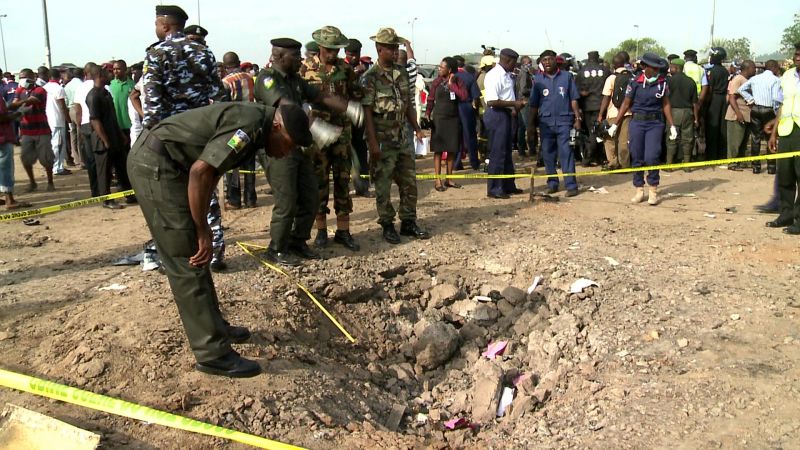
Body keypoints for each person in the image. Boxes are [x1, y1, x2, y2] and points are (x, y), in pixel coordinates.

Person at [129, 102, 312, 377]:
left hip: (173, 165)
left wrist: (204, 222)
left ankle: (213, 327)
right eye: (289, 143)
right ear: (277, 127)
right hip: (157, 164)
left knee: (196, 251)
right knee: (187, 255)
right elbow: (200, 172)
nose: (288, 152)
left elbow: (211, 172)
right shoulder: (249, 127)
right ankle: (212, 354)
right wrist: (203, 230)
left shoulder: (258, 126)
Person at [254, 37, 363, 263]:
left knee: (311, 195)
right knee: (287, 200)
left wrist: (348, 107)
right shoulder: (267, 78)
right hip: (277, 148)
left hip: (297, 146)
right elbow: (285, 106)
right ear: (279, 57)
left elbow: (320, 96)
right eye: (295, 56)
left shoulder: (295, 79)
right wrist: (316, 126)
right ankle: (276, 249)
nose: (301, 60)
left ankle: (298, 240)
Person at [144, 5, 230, 272]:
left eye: (156, 24)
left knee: (168, 195)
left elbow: (153, 105)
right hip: (202, 134)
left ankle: (176, 254)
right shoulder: (205, 52)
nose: (155, 28)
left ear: (165, 25)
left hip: (171, 137)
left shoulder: (156, 54)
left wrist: (151, 135)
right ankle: (215, 253)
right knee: (205, 190)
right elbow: (219, 96)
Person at [361, 27, 430, 243]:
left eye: (396, 47)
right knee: (383, 184)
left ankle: (408, 221)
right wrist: (372, 143)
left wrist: (417, 127)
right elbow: (367, 113)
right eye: (390, 48)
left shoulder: (400, 74)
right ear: (379, 49)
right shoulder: (369, 78)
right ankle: (387, 224)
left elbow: (408, 103)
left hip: (402, 137)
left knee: (409, 181)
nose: (394, 51)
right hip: (382, 140)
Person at [303, 26, 363, 252]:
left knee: (342, 181)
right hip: (317, 135)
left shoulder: (345, 69)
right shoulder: (305, 69)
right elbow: (298, 102)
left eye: (336, 49)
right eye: (329, 49)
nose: (332, 54)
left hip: (341, 134)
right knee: (319, 182)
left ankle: (343, 231)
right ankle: (320, 231)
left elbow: (356, 95)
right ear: (320, 46)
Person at [612, 53, 676, 206]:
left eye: (657, 68)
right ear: (645, 67)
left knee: (652, 156)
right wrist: (616, 124)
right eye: (653, 68)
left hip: (655, 123)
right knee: (637, 155)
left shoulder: (662, 82)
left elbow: (665, 104)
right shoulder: (634, 82)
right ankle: (639, 189)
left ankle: (653, 190)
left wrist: (672, 125)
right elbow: (626, 104)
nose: (656, 70)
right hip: (638, 122)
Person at [529, 49, 582, 197]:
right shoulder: (537, 80)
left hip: (565, 121)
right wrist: (531, 125)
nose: (547, 62)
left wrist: (577, 118)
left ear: (555, 60)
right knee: (548, 154)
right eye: (544, 60)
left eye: (549, 59)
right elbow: (533, 104)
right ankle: (552, 184)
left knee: (567, 154)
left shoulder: (567, 77)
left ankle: (571, 185)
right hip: (545, 123)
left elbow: (573, 99)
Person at [482, 48, 526, 199]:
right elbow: (492, 101)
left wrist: (515, 107)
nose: (515, 66)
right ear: (508, 61)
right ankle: (494, 188)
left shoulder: (507, 75)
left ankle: (508, 185)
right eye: (514, 63)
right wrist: (515, 103)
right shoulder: (494, 75)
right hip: (496, 115)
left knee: (507, 152)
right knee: (497, 152)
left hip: (506, 115)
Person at [766, 43, 800, 235]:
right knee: (785, 175)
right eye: (796, 54)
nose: (797, 58)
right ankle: (785, 214)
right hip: (787, 131)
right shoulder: (787, 76)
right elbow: (782, 105)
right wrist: (774, 132)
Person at [221, 51, 257, 210]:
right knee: (249, 164)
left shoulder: (225, 82)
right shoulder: (249, 78)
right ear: (239, 62)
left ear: (224, 66)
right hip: (251, 126)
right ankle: (250, 198)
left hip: (234, 130)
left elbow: (223, 106)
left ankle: (234, 199)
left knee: (232, 163)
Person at [87, 67, 127, 210]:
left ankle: (129, 194)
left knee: (122, 167)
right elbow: (95, 120)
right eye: (109, 73)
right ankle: (107, 199)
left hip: (114, 137)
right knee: (104, 172)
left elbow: (112, 117)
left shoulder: (105, 93)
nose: (112, 75)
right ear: (100, 75)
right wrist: (105, 140)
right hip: (102, 141)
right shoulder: (93, 96)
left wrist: (120, 135)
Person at [426, 57, 468, 191]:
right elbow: (431, 98)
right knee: (438, 150)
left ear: (449, 69)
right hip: (439, 119)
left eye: (441, 67)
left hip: (453, 118)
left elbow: (464, 96)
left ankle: (449, 179)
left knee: (451, 149)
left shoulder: (458, 81)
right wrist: (427, 113)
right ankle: (437, 180)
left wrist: (451, 85)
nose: (439, 69)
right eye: (439, 67)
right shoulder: (436, 82)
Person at [11, 69, 55, 192]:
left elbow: (32, 100)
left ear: (32, 77)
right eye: (20, 77)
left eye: (24, 77)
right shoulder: (20, 90)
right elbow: (15, 102)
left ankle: (50, 182)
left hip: (42, 130)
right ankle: (32, 182)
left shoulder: (40, 90)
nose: (22, 80)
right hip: (26, 131)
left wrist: (18, 104)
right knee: (25, 158)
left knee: (46, 159)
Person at [738, 59, 781, 174]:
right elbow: (776, 98)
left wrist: (750, 99)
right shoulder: (776, 80)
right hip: (768, 110)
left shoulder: (755, 78)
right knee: (770, 138)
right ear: (774, 68)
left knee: (755, 138)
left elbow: (741, 89)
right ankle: (771, 167)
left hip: (756, 109)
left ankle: (756, 166)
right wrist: (777, 113)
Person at [344, 38, 372, 197]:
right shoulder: (341, 68)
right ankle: (346, 187)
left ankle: (363, 187)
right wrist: (353, 75)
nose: (354, 57)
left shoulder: (366, 68)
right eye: (350, 54)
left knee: (361, 150)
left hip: (360, 115)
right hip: (345, 115)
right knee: (346, 152)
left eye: (356, 54)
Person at [597, 53, 632, 169]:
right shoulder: (632, 77)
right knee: (624, 141)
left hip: (613, 112)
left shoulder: (611, 78)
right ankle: (625, 165)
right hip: (627, 113)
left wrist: (601, 115)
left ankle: (613, 163)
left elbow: (606, 97)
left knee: (609, 139)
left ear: (613, 65)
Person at [576, 51, 609, 166]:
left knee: (592, 131)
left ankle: (597, 157)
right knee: (597, 133)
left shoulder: (581, 72)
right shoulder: (605, 71)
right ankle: (588, 158)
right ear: (598, 58)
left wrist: (579, 107)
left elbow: (576, 91)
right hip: (601, 106)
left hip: (586, 106)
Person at [665, 58, 699, 165]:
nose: (670, 69)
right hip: (688, 113)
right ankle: (687, 165)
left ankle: (669, 163)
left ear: (676, 68)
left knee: (672, 137)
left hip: (673, 112)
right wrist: (696, 118)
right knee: (687, 139)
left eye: (671, 67)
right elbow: (695, 103)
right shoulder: (691, 81)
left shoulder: (669, 81)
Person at [725, 60, 755, 170]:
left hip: (746, 115)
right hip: (736, 115)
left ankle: (741, 161)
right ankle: (732, 163)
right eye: (753, 68)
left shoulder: (747, 80)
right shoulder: (738, 79)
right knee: (734, 141)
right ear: (747, 68)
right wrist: (738, 113)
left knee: (743, 141)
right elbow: (732, 97)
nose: (755, 70)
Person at [453, 55, 481, 170]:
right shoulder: (469, 77)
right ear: (463, 64)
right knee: (470, 136)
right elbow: (476, 96)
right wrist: (477, 111)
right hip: (467, 107)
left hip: (453, 108)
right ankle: (474, 162)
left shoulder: (449, 76)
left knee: (455, 136)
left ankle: (456, 163)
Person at [42, 68, 71, 176]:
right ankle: (58, 168)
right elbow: (63, 106)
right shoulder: (58, 88)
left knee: (52, 144)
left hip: (48, 118)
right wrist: (68, 120)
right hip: (57, 119)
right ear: (59, 76)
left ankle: (52, 166)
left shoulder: (45, 87)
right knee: (58, 145)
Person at [0, 94, 27, 209]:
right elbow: (1, 117)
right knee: (6, 168)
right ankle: (9, 199)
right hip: (2, 137)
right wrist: (17, 114)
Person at [704, 47, 729, 161]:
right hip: (723, 99)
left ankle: (712, 155)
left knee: (712, 127)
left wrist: (706, 104)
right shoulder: (725, 71)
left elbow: (710, 88)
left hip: (714, 99)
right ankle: (722, 154)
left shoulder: (712, 71)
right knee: (722, 127)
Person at [64, 68, 84, 168]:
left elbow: (66, 101)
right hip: (79, 109)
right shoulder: (82, 85)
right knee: (81, 136)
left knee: (73, 136)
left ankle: (76, 160)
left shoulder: (67, 86)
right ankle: (82, 160)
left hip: (70, 110)